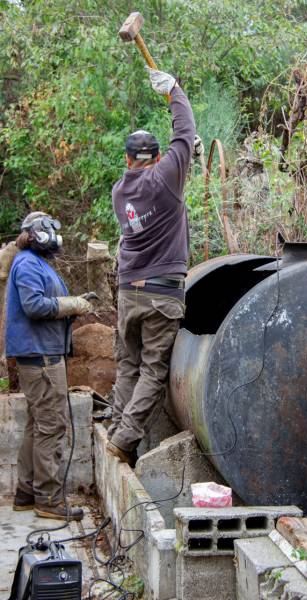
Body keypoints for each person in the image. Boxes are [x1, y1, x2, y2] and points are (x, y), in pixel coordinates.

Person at [107, 67, 201, 465]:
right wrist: (175, 91)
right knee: (152, 370)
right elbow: (186, 129)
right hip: (162, 293)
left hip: (129, 290)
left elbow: (180, 149)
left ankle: (114, 425)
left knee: (128, 364)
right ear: (158, 157)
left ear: (128, 159)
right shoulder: (164, 177)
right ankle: (124, 440)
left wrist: (186, 159)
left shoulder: (119, 190)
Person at [5, 212, 92, 520]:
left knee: (37, 424)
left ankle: (27, 494)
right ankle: (48, 499)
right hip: (41, 358)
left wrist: (73, 305)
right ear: (38, 233)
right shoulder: (28, 263)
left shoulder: (36, 263)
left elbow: (44, 303)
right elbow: (34, 306)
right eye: (50, 231)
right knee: (51, 426)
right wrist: (70, 304)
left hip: (41, 353)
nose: (56, 237)